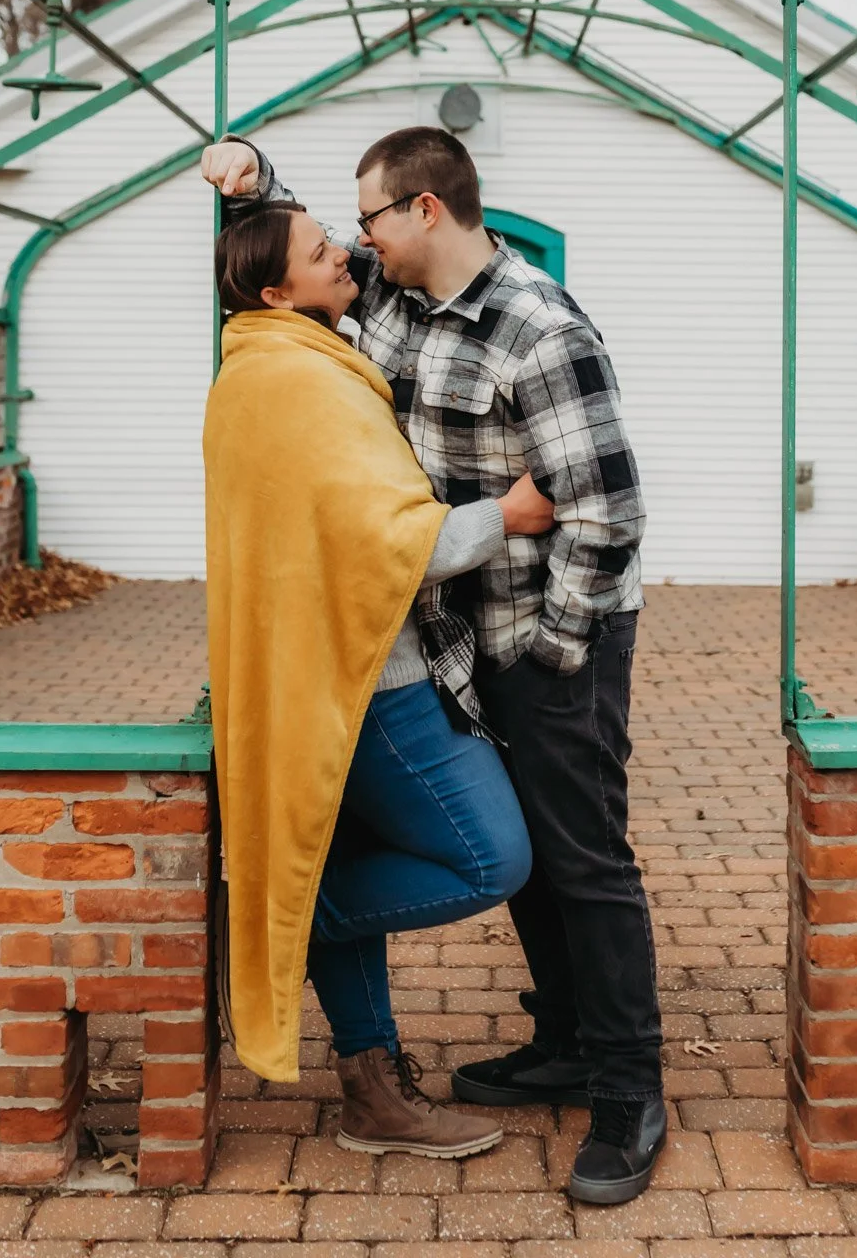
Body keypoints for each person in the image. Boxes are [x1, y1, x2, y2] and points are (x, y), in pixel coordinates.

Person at [202, 129, 665, 1206]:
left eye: (369, 220)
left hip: (557, 636)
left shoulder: (540, 330)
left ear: (422, 211)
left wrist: (551, 654)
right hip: (463, 632)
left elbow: (607, 512)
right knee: (538, 859)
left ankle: (628, 1095)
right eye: (349, 234)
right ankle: (562, 1043)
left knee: (585, 861)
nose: (354, 245)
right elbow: (287, 260)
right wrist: (249, 175)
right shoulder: (396, 301)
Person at [205, 198, 552, 1160]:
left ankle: (372, 1092)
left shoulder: (280, 358)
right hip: (368, 675)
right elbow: (387, 543)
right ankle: (278, 921)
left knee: (343, 849)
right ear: (275, 290)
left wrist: (253, 178)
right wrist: (507, 516)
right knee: (490, 857)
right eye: (321, 251)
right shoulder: (292, 385)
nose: (345, 252)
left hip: (324, 668)